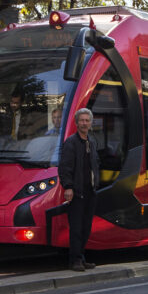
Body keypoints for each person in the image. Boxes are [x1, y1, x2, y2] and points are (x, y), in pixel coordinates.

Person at [58, 108, 100, 272]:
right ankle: (75, 260)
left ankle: (81, 258)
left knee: (86, 228)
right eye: (81, 120)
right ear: (76, 123)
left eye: (87, 120)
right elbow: (65, 167)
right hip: (76, 192)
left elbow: (95, 164)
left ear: (90, 123)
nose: (84, 123)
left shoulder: (92, 141)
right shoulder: (71, 143)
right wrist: (68, 186)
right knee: (76, 228)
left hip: (90, 191)